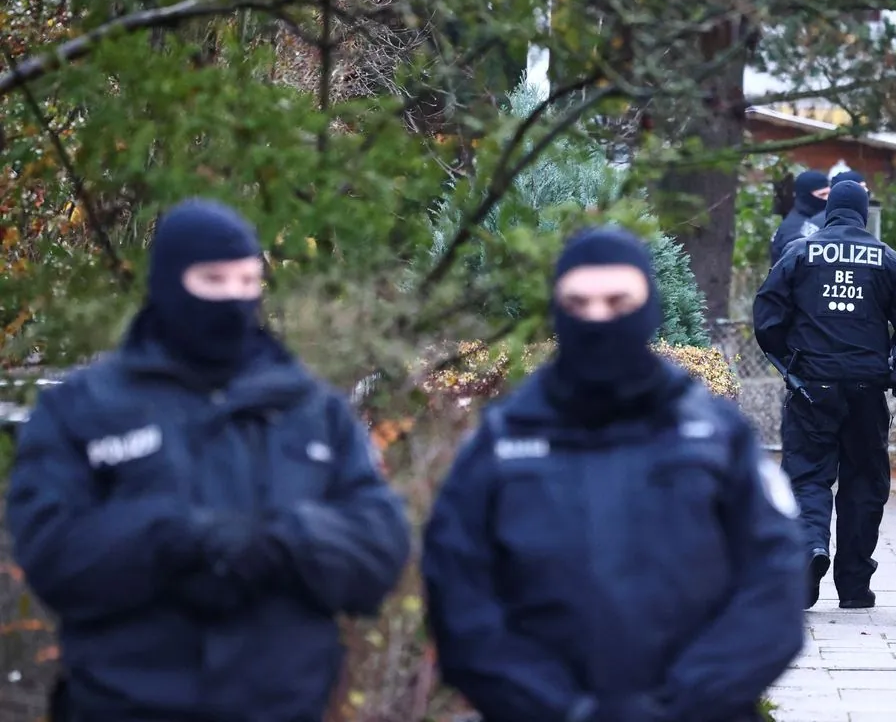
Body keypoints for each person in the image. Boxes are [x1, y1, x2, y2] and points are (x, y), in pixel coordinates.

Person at [5, 199, 411, 722]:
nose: (234, 299)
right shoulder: (84, 409)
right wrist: (175, 538)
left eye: (247, 283)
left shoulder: (311, 410)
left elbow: (380, 546)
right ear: (170, 284)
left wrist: (285, 540)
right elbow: (53, 554)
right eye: (214, 282)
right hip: (126, 704)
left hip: (283, 706)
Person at [423, 226, 808, 722]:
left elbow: (773, 583)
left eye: (618, 302)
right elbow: (459, 596)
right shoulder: (501, 442)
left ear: (648, 307)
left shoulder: (715, 436)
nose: (598, 318)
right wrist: (556, 706)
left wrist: (681, 703)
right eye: (579, 303)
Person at [753, 180, 896, 610]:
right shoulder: (887, 259)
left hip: (812, 386)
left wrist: (790, 361)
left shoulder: (799, 253)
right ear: (863, 213)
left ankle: (811, 550)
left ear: (830, 214)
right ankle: (853, 586)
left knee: (808, 475)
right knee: (864, 482)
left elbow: (766, 317)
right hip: (867, 388)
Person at [770, 170, 830, 265]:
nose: (827, 199)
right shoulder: (793, 228)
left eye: (829, 194)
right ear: (805, 196)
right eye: (822, 194)